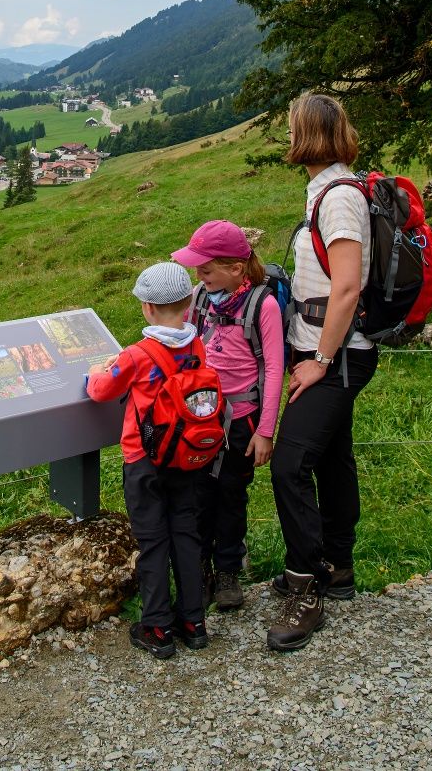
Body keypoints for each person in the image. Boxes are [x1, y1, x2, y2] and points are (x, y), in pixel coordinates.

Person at [266, 92, 379, 652]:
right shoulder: (329, 189)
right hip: (325, 349)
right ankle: (337, 566)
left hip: (336, 354)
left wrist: (320, 362)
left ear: (306, 134)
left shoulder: (337, 197)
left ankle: (305, 584)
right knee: (333, 457)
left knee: (290, 464)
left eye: (292, 129)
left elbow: (347, 288)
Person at [86, 261, 208, 659]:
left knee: (153, 540)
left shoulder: (138, 354)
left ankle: (156, 627)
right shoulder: (196, 344)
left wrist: (94, 371)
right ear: (189, 303)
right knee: (186, 534)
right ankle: (193, 620)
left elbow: (103, 390)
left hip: (145, 461)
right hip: (186, 458)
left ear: (148, 308)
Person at [171, 221, 284, 611]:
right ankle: (199, 570)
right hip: (200, 415)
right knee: (199, 492)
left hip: (242, 418)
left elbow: (273, 368)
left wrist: (265, 431)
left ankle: (228, 572)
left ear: (235, 268)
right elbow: (182, 342)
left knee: (232, 494)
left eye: (205, 269)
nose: (197, 276)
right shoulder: (200, 297)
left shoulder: (263, 304)